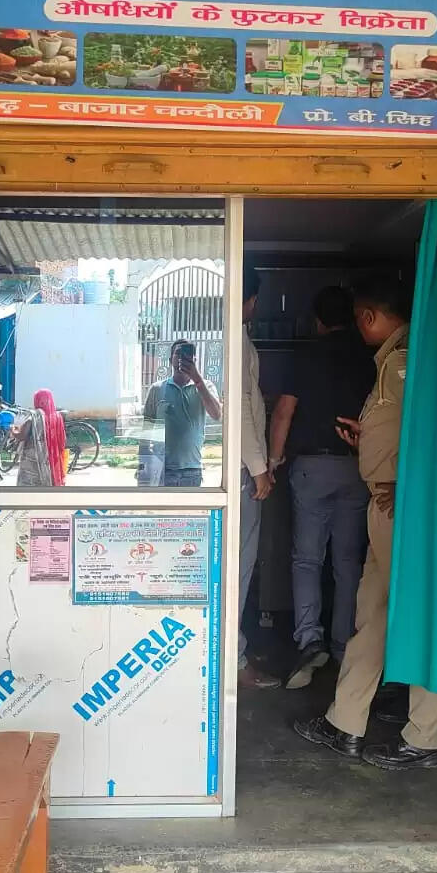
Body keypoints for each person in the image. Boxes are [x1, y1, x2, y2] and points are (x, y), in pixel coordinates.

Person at [294, 272, 437, 770]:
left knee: (418, 612)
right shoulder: (391, 360)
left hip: (406, 509)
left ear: (368, 316)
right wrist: (368, 443)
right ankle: (346, 721)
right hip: (387, 505)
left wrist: (407, 489)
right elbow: (403, 430)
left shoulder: (405, 360)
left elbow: (434, 435)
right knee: (373, 612)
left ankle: (426, 735)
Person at [268, 286, 374, 689]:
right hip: (356, 466)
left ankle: (310, 640)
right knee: (348, 562)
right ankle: (345, 645)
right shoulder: (369, 357)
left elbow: (284, 412)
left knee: (307, 559)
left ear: (318, 320)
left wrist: (273, 461)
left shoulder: (306, 354)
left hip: (312, 467)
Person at [237, 265, 279, 689]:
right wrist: (260, 469)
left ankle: (235, 650)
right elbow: (242, 411)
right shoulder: (238, 341)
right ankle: (234, 660)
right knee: (239, 565)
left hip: (235, 467)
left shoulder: (232, 338)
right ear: (250, 300)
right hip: (241, 472)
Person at [142, 339, 222, 487]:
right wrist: (143, 465)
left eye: (187, 354)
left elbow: (216, 414)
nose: (181, 357)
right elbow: (146, 430)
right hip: (162, 469)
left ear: (194, 359)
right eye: (178, 353)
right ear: (170, 359)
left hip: (192, 469)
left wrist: (198, 380)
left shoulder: (206, 386)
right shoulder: (157, 389)